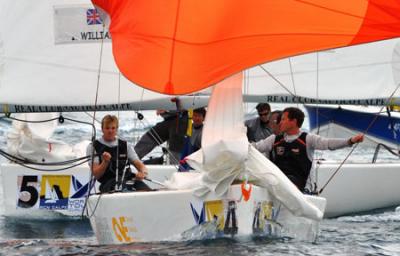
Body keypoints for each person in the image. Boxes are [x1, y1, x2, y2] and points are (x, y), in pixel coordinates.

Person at [254, 107, 364, 191]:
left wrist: (350, 141)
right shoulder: (274, 139)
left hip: (300, 187)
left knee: (285, 183)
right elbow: (256, 147)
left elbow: (328, 143)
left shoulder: (308, 139)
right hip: (277, 182)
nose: (280, 122)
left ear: (294, 121)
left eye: (283, 119)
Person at [87, 115, 150, 193]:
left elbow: (140, 165)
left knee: (147, 192)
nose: (110, 131)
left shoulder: (126, 145)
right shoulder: (93, 146)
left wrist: (143, 172)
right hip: (109, 183)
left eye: (113, 128)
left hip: (128, 180)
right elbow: (96, 175)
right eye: (107, 128)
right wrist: (105, 162)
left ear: (116, 129)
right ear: (102, 129)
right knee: (124, 191)